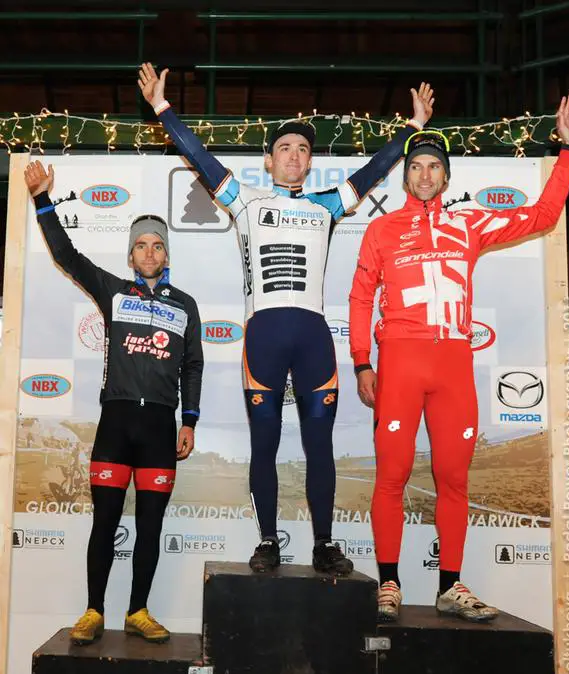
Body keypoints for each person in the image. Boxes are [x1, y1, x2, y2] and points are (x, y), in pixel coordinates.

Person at [138, 62, 434, 576]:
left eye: (302, 149)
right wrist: (163, 108)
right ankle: (269, 541)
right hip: (266, 337)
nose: (294, 155)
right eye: (284, 149)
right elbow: (200, 158)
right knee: (265, 444)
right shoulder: (246, 202)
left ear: (310, 162)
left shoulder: (326, 205)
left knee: (320, 443)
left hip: (314, 336)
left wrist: (412, 129)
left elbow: (371, 173)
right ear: (269, 163)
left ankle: (324, 543)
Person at [349, 94, 569, 621]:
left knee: (454, 480)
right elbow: (360, 296)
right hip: (402, 364)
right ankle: (389, 583)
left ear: (446, 177)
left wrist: (568, 151)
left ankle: (450, 586)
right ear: (404, 176)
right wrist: (363, 361)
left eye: (434, 167)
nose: (425, 175)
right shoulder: (382, 230)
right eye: (416, 167)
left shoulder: (470, 223)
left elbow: (544, 215)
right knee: (391, 474)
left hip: (453, 365)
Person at [24, 161, 204, 644]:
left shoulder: (185, 305)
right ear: (131, 255)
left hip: (160, 430)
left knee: (149, 527)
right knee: (105, 521)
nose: (150, 251)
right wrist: (43, 199)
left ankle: (138, 611)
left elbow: (193, 366)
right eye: (141, 245)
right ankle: (93, 611)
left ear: (167, 254)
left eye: (158, 244)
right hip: (116, 422)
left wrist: (189, 421)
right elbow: (66, 255)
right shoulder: (114, 291)